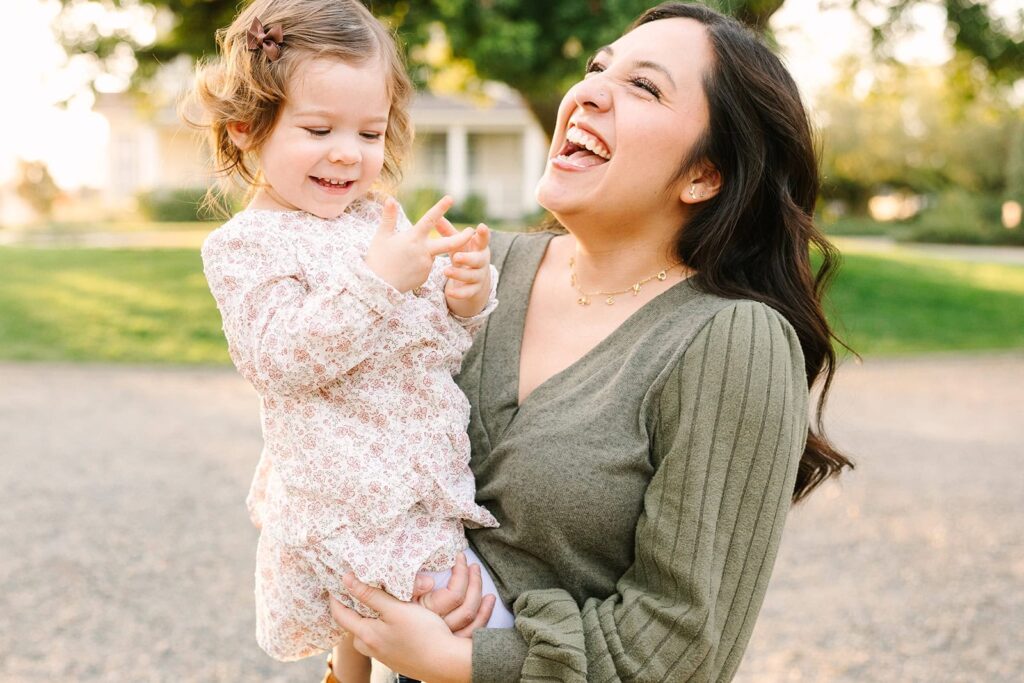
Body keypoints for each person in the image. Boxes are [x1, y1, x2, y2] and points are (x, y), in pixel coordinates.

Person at [327, 3, 854, 682]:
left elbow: (679, 647)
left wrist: (456, 659)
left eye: (644, 86)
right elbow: (348, 468)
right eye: (597, 67)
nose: (588, 91)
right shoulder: (474, 271)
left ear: (705, 175)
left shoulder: (732, 339)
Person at [186, 0, 514, 679]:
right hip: (355, 510)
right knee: (486, 631)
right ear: (247, 128)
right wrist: (379, 282)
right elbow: (281, 360)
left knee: (423, 640)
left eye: (369, 133)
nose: (348, 152)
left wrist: (466, 296)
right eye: (318, 128)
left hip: (422, 486)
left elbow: (435, 343)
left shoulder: (375, 221)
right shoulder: (245, 245)